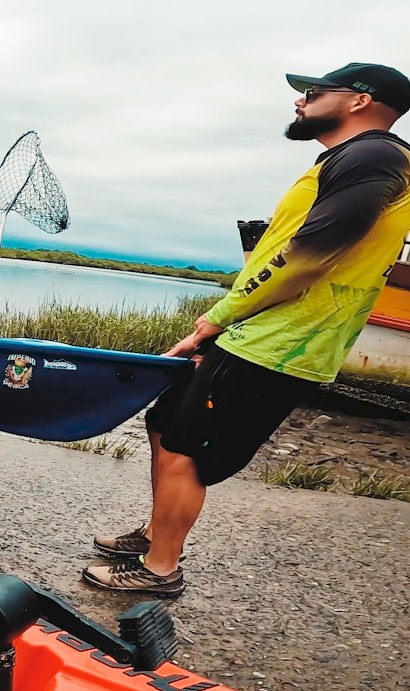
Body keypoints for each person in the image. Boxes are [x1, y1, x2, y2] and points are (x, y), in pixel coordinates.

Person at [83, 63, 410, 596]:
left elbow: (308, 257)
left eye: (312, 91)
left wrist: (217, 317)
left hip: (279, 342)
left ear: (358, 101)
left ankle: (160, 569)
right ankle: (155, 534)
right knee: (166, 426)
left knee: (190, 447)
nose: (300, 101)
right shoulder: (352, 159)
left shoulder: (375, 156)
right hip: (254, 332)